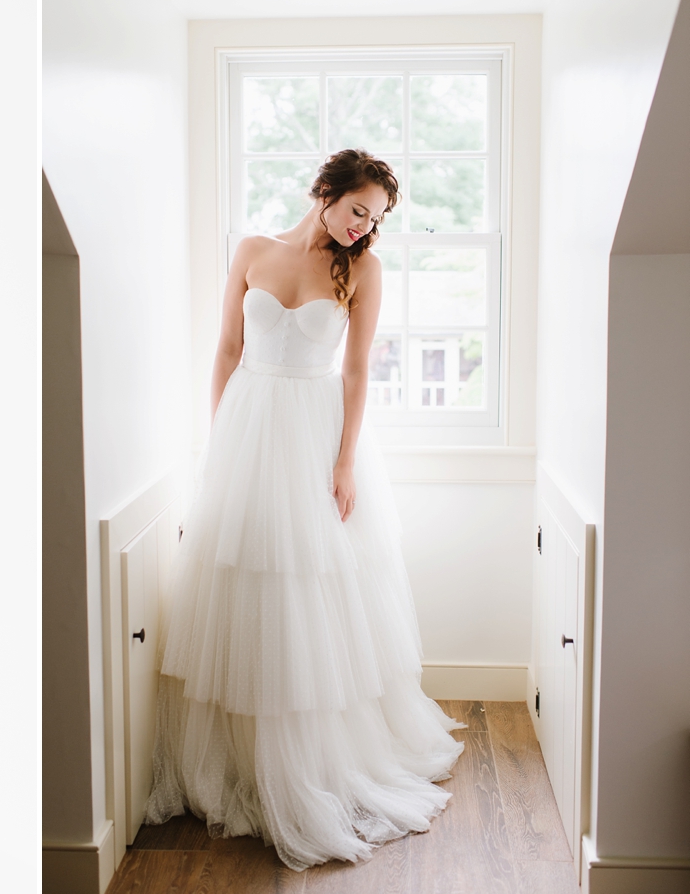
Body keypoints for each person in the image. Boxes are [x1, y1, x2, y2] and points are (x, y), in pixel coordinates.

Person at [144, 149, 465, 871]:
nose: (363, 227)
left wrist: (345, 459)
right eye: (358, 209)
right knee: (245, 586)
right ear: (324, 192)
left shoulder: (365, 272)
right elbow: (227, 349)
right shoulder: (253, 252)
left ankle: (312, 765)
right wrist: (217, 444)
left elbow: (356, 371)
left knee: (311, 594)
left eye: (375, 218)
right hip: (248, 432)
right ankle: (246, 762)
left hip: (314, 436)